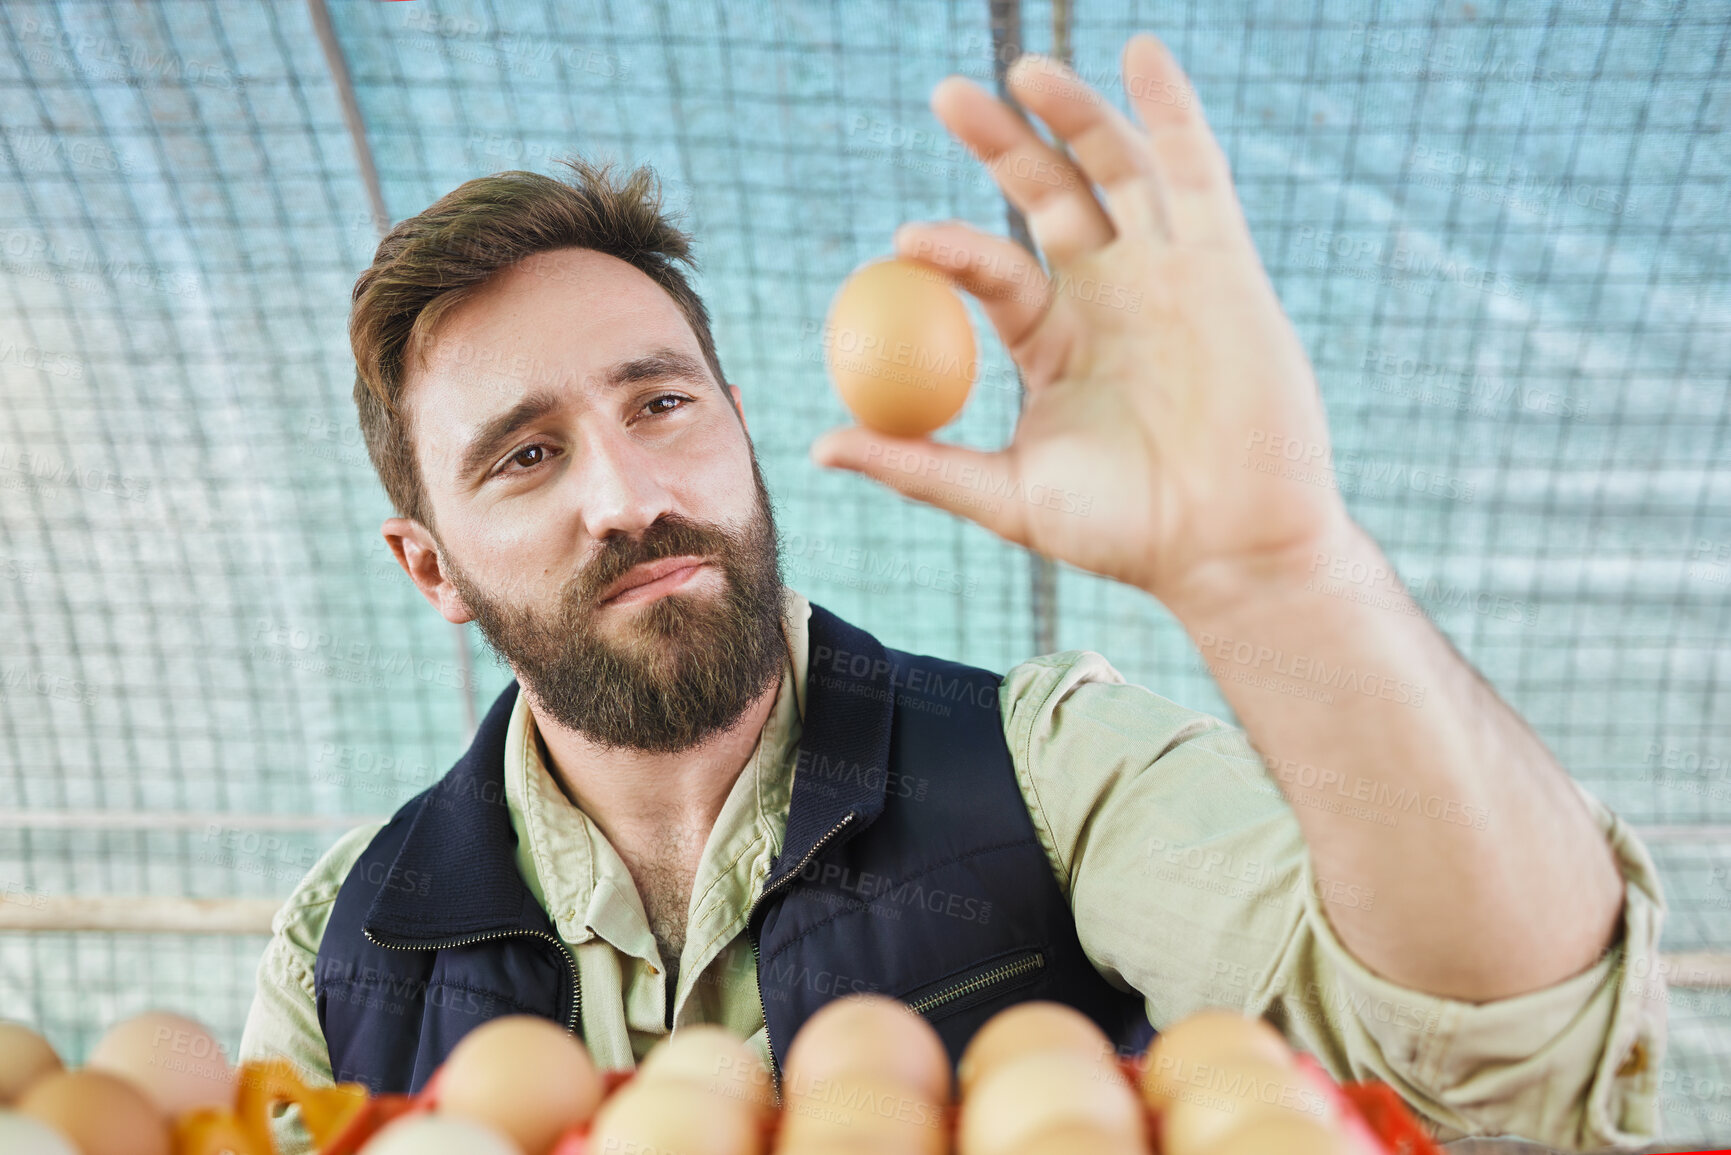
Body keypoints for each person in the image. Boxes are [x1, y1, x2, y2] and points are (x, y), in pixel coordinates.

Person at [240, 33, 1664, 1151]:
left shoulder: (1045, 773)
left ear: (737, 420)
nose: (627, 494)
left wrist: (1280, 573)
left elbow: (1499, 1060)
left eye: (659, 404)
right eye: (528, 455)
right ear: (428, 568)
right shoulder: (342, 947)